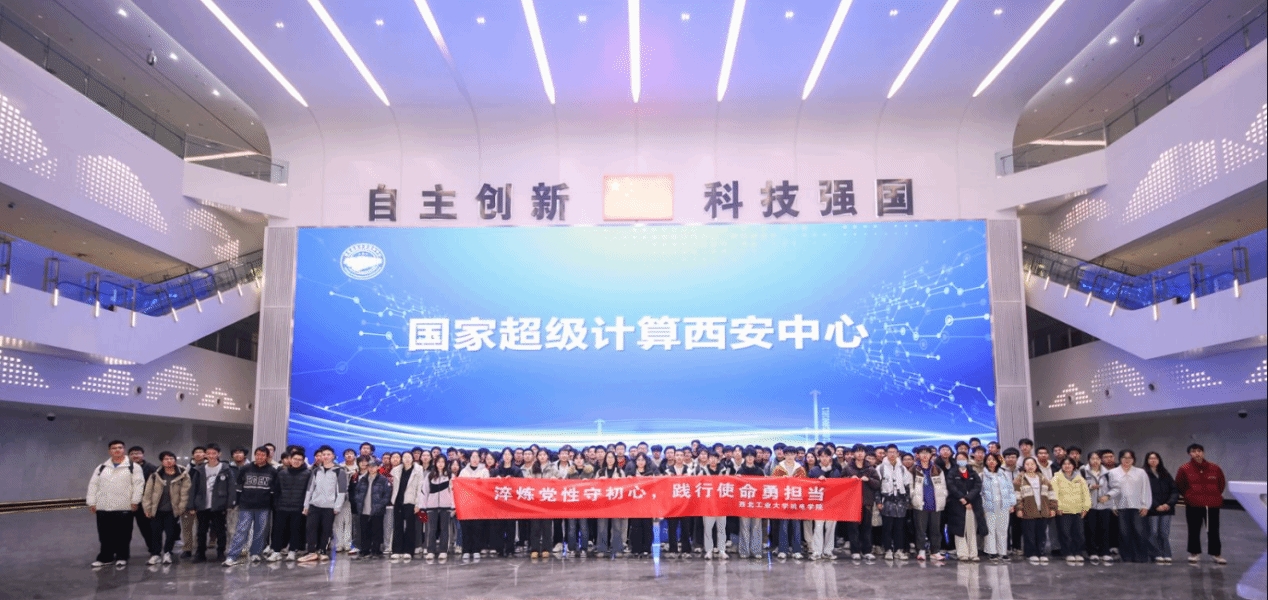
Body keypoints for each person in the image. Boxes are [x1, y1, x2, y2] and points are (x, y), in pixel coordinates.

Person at [86, 440, 145, 568]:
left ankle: (122, 557)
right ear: (109, 451)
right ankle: (105, 557)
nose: (117, 450)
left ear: (124, 450)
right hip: (104, 507)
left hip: (124, 507)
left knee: (123, 535)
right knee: (105, 535)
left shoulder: (133, 467)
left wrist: (135, 501)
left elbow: (138, 485)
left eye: (120, 447)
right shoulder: (101, 467)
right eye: (114, 448)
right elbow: (93, 485)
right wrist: (91, 502)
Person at [224, 446, 279, 566]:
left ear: (267, 456)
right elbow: (239, 487)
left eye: (263, 455)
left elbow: (273, 491)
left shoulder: (272, 471)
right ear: (254, 455)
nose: (260, 457)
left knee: (260, 532)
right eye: (258, 454)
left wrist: (272, 505)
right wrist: (236, 502)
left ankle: (255, 553)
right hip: (246, 505)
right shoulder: (245, 468)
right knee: (241, 530)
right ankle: (232, 556)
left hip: (263, 506)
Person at [1175, 443, 1226, 564]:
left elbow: (1221, 484)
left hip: (1212, 504)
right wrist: (1189, 496)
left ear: (1203, 453)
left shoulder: (1215, 468)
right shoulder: (1184, 468)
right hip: (1194, 504)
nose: (1197, 453)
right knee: (1193, 530)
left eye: (1199, 451)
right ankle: (1194, 553)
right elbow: (1180, 485)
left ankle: (1216, 554)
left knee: (1213, 530)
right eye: (1194, 451)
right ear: (1189, 454)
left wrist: (1214, 495)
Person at [141, 451, 190, 565]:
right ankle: (155, 554)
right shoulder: (155, 475)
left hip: (172, 510)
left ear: (175, 460)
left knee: (170, 533)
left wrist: (181, 508)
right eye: (166, 459)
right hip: (157, 509)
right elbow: (147, 493)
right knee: (155, 533)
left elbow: (185, 493)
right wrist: (147, 509)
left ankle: (167, 553)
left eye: (171, 458)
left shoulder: (183, 475)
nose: (169, 461)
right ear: (162, 461)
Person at [190, 444, 234, 563]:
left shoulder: (225, 469)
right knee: (201, 531)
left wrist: (230, 504)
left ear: (219, 454)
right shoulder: (199, 469)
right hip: (202, 505)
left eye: (214, 453)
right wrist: (191, 505)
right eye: (208, 453)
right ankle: (200, 553)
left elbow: (231, 487)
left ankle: (220, 552)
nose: (211, 456)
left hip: (219, 505)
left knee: (220, 531)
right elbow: (193, 488)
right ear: (205, 455)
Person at [1106, 449, 1151, 564]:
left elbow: (1146, 489)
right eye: (1124, 458)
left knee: (1139, 532)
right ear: (1120, 459)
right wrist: (1113, 505)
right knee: (1124, 532)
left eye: (1129, 458)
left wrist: (1145, 505)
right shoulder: (1113, 473)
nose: (1127, 460)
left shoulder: (1140, 472)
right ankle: (1126, 556)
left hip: (1137, 506)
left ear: (1133, 460)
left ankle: (1141, 556)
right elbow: (1110, 490)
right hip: (1121, 507)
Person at [268, 451, 311, 562]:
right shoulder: (282, 473)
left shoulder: (308, 474)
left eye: (299, 460)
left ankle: (292, 551)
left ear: (303, 461)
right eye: (295, 459)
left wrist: (305, 506)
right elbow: (276, 490)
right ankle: (276, 552)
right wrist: (276, 504)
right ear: (290, 459)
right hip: (282, 507)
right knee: (279, 530)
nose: (297, 461)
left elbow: (308, 491)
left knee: (296, 530)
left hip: (298, 507)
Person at [1013, 456, 1055, 564]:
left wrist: (1052, 508)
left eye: (1032, 464)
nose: (1030, 466)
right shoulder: (1019, 479)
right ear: (1024, 466)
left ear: (1036, 466)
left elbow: (1051, 493)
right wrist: (1019, 508)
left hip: (1043, 510)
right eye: (1027, 464)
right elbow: (1017, 495)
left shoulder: (1043, 478)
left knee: (1042, 534)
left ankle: (1041, 553)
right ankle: (1031, 554)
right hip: (1028, 511)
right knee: (1029, 534)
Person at [946, 451, 985, 562]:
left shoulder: (972, 472)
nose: (961, 460)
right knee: (959, 530)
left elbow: (977, 486)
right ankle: (962, 553)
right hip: (957, 504)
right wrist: (962, 499)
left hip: (972, 504)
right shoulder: (952, 473)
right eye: (959, 458)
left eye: (963, 458)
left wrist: (968, 499)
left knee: (972, 529)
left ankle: (973, 553)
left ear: (967, 460)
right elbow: (951, 487)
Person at [909, 446, 947, 561]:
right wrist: (913, 496)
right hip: (920, 503)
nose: (925, 455)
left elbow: (943, 485)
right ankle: (921, 550)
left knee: (935, 529)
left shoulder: (937, 469)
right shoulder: (914, 469)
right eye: (922, 453)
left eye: (927, 453)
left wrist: (943, 495)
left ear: (931, 455)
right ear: (918, 455)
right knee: (920, 529)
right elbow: (910, 486)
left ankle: (935, 551)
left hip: (935, 503)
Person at [842, 445, 879, 560]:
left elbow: (878, 484)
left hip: (867, 502)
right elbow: (840, 484)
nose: (859, 454)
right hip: (852, 503)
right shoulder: (848, 468)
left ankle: (867, 551)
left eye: (862, 452)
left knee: (867, 528)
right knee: (853, 528)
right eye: (857, 452)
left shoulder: (871, 469)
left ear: (865, 454)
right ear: (853, 454)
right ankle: (855, 551)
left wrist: (869, 480)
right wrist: (849, 480)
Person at [351, 456, 391, 559]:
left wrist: (380, 505)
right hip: (364, 509)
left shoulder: (383, 480)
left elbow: (387, 495)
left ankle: (376, 551)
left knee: (376, 531)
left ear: (378, 467)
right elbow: (357, 492)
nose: (371, 469)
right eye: (369, 466)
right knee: (364, 531)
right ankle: (365, 551)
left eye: (373, 466)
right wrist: (358, 501)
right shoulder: (363, 479)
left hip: (377, 510)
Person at [1051, 457, 1090, 563]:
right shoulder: (1056, 478)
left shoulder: (1080, 478)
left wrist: (1085, 507)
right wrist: (1057, 507)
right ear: (1061, 466)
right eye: (1065, 464)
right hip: (1063, 511)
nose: (1067, 466)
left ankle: (1078, 552)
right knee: (1065, 533)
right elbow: (1054, 494)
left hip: (1078, 510)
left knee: (1079, 533)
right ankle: (1068, 553)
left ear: (1074, 466)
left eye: (1069, 464)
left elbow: (1086, 494)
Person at [877, 444, 911, 560]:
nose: (892, 454)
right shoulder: (880, 468)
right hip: (887, 501)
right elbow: (877, 487)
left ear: (898, 454)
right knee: (887, 528)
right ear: (886, 454)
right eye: (890, 452)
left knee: (900, 528)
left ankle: (898, 550)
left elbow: (907, 486)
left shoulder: (902, 468)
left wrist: (906, 501)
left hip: (900, 502)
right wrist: (879, 501)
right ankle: (888, 550)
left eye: (894, 452)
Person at [979, 453, 1015, 562]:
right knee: (990, 529)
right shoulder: (982, 475)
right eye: (989, 459)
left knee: (1002, 529)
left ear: (997, 461)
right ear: (985, 462)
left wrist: (1012, 504)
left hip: (1003, 505)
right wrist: (983, 505)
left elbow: (1010, 490)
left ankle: (1002, 552)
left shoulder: (1003, 474)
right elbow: (980, 493)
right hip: (989, 507)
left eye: (993, 460)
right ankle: (992, 552)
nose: (991, 462)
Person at [1080, 450, 1114, 563]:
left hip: (1104, 505)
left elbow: (1115, 488)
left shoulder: (1108, 473)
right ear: (1088, 460)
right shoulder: (1082, 471)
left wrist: (1108, 496)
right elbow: (1077, 485)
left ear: (1101, 460)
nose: (1095, 461)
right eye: (1092, 459)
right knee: (1091, 530)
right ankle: (1092, 552)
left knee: (1105, 530)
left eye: (1098, 459)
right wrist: (1089, 486)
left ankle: (1105, 552)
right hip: (1089, 505)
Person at [1144, 451, 1178, 563]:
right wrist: (1156, 505)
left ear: (1159, 460)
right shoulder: (1144, 474)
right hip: (1152, 508)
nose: (1153, 460)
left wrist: (1169, 504)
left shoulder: (1165, 473)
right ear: (1147, 460)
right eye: (1151, 458)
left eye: (1155, 458)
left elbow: (1174, 490)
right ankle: (1156, 554)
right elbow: (1145, 492)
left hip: (1166, 509)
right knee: (1153, 532)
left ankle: (1166, 553)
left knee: (1164, 532)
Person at [772, 450, 806, 560]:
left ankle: (797, 550)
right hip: (783, 502)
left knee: (796, 526)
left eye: (792, 454)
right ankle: (783, 550)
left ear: (795, 455)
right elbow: (773, 483)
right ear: (784, 455)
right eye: (787, 454)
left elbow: (804, 484)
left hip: (796, 502)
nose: (790, 456)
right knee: (783, 526)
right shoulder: (778, 468)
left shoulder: (800, 468)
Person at [809, 449, 843, 560]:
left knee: (831, 528)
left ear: (830, 457)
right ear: (818, 457)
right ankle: (817, 551)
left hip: (833, 503)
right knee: (818, 527)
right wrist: (818, 479)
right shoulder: (814, 470)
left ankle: (828, 551)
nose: (824, 458)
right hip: (818, 503)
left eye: (827, 456)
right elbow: (808, 485)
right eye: (822, 456)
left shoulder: (836, 471)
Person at [127, 446, 159, 559]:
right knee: (124, 530)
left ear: (143, 455)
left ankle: (154, 550)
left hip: (144, 504)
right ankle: (122, 553)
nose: (135, 455)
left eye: (138, 453)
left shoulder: (151, 468)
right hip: (127, 503)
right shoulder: (124, 468)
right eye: (132, 453)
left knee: (147, 528)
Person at [455, 451, 487, 560]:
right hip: (466, 504)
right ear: (469, 459)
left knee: (477, 528)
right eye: (473, 457)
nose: (475, 459)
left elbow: (486, 486)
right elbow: (459, 487)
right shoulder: (464, 471)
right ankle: (466, 550)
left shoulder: (484, 471)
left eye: (477, 457)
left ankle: (476, 550)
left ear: (480, 459)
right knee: (466, 528)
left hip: (479, 504)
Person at [594, 451, 626, 558]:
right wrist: (599, 481)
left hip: (616, 503)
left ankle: (618, 549)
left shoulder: (620, 472)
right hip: (603, 503)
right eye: (608, 457)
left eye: (612, 457)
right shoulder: (600, 472)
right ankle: (601, 549)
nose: (610, 459)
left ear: (615, 459)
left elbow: (625, 487)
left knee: (617, 527)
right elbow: (594, 487)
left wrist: (619, 481)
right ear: (605, 459)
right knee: (601, 527)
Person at [423, 455, 454, 560]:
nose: (440, 464)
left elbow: (453, 492)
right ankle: (430, 551)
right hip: (432, 506)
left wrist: (453, 506)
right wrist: (424, 505)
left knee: (444, 529)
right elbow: (425, 491)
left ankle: (443, 551)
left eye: (442, 462)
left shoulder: (450, 475)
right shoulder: (430, 475)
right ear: (435, 463)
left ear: (445, 463)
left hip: (446, 506)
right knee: (432, 529)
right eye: (438, 462)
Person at [563, 452, 594, 557]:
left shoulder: (590, 472)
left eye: (581, 458)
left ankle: (584, 548)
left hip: (584, 504)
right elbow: (563, 485)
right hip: (572, 504)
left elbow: (596, 486)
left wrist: (588, 482)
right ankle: (572, 548)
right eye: (576, 458)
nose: (579, 460)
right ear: (574, 460)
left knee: (584, 527)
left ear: (584, 460)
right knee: (571, 527)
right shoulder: (570, 472)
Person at [737, 451, 766, 559]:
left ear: (754, 457)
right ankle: (744, 551)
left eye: (752, 456)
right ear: (745, 457)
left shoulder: (760, 471)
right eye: (748, 456)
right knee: (744, 527)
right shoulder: (740, 470)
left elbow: (764, 487)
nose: (750, 458)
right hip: (744, 504)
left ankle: (756, 551)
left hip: (757, 503)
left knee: (756, 527)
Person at [628, 453, 658, 557]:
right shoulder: (631, 474)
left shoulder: (650, 473)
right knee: (635, 526)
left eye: (642, 460)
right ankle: (636, 549)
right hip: (634, 504)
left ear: (646, 461)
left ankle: (647, 549)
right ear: (635, 461)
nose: (640, 462)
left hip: (647, 504)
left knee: (647, 526)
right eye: (638, 460)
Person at [179, 446, 206, 558]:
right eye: (196, 452)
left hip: (201, 502)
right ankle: (187, 548)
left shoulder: (207, 467)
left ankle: (199, 549)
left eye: (201, 452)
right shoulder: (187, 468)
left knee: (201, 528)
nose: (198, 454)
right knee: (187, 526)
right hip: (187, 501)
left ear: (205, 454)